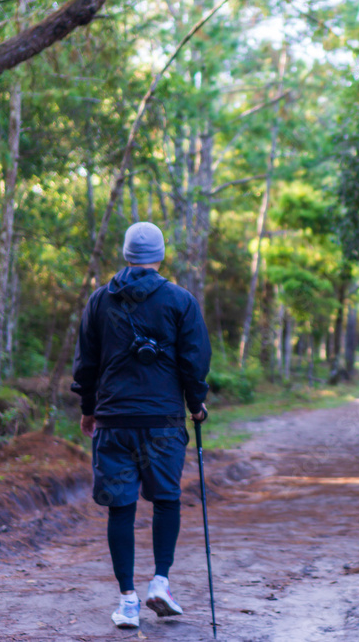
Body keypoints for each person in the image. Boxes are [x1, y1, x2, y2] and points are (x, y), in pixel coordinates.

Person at [72, 222, 211, 629]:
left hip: (113, 421)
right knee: (166, 499)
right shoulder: (180, 300)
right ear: (161, 255)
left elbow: (87, 363)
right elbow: (194, 360)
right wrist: (196, 403)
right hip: (163, 423)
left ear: (126, 253)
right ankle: (161, 583)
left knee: (121, 507)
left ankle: (128, 601)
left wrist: (88, 408)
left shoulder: (99, 301)